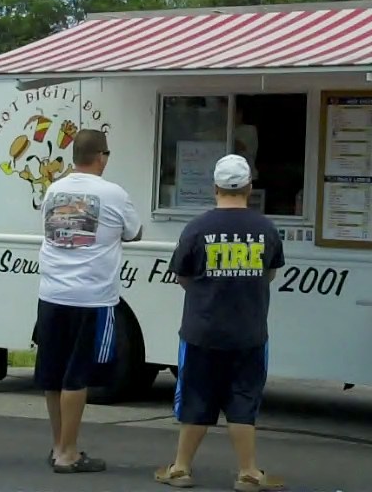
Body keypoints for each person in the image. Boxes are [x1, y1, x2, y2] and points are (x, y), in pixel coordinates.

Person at [154, 154, 286, 492]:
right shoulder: (265, 229)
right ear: (249, 188)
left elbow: (182, 275)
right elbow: (269, 274)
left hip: (201, 331)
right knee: (244, 400)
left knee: (196, 398)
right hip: (249, 332)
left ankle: (181, 468)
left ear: (214, 188)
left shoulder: (197, 228)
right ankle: (248, 472)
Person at [33, 128, 142, 474]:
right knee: (77, 376)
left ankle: (58, 445)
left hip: (51, 293)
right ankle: (68, 453)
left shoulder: (53, 189)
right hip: (92, 297)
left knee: (53, 375)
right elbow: (134, 232)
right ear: (101, 157)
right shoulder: (114, 194)